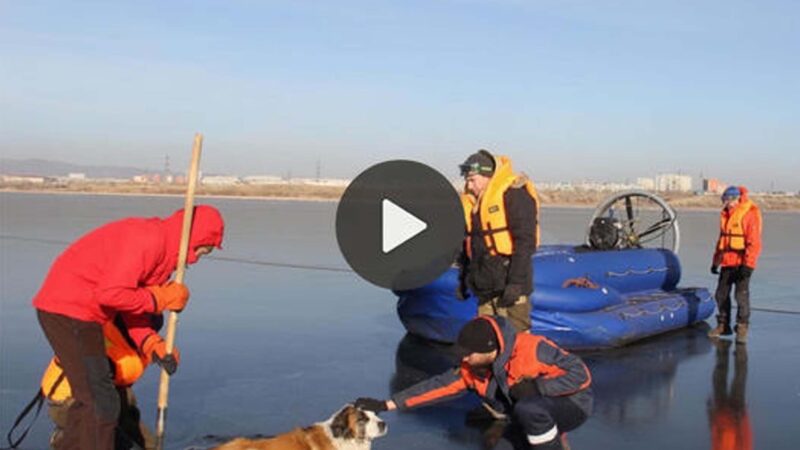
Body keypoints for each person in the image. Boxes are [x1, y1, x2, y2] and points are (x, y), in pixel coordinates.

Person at [32, 205, 224, 450]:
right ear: (191, 237)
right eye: (199, 249)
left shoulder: (165, 257)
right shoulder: (148, 239)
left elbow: (132, 308)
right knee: (100, 402)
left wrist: (152, 344)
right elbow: (111, 294)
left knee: (98, 402)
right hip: (68, 307)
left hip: (87, 315)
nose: (195, 259)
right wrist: (159, 299)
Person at [355, 316, 592, 450]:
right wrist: (387, 405)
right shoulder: (472, 369)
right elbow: (437, 387)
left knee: (528, 408)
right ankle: (549, 437)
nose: (464, 358)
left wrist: (539, 387)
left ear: (490, 350)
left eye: (469, 353)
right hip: (527, 416)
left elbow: (581, 375)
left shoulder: (533, 349)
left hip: (572, 404)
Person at [457, 150, 540, 332]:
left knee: (516, 339)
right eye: (467, 181)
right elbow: (470, 244)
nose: (469, 186)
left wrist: (515, 284)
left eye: (473, 180)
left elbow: (525, 242)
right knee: (487, 340)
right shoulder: (474, 205)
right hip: (485, 288)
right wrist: (463, 279)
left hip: (509, 286)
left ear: (488, 176)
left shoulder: (514, 195)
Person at [708, 186, 762, 343]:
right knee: (721, 294)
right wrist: (715, 262)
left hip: (742, 263)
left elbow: (754, 242)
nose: (725, 203)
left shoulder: (749, 214)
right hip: (727, 261)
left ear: (735, 199)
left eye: (727, 200)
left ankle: (742, 327)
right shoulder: (726, 215)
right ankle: (723, 325)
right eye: (724, 200)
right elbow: (722, 241)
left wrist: (749, 265)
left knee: (741, 296)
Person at [707, 339, 751, 450]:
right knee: (739, 376)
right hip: (735, 413)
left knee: (721, 377)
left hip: (722, 412)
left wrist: (711, 415)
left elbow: (715, 435)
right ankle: (738, 351)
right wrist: (743, 417)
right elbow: (746, 436)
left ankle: (724, 350)